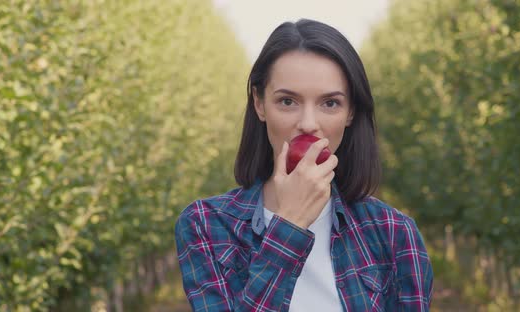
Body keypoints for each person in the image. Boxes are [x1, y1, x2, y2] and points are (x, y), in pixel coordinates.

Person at [175, 18, 433, 312]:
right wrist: (290, 224)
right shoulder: (206, 225)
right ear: (260, 104)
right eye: (287, 101)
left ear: (350, 113)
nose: (309, 124)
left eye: (330, 103)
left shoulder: (392, 232)